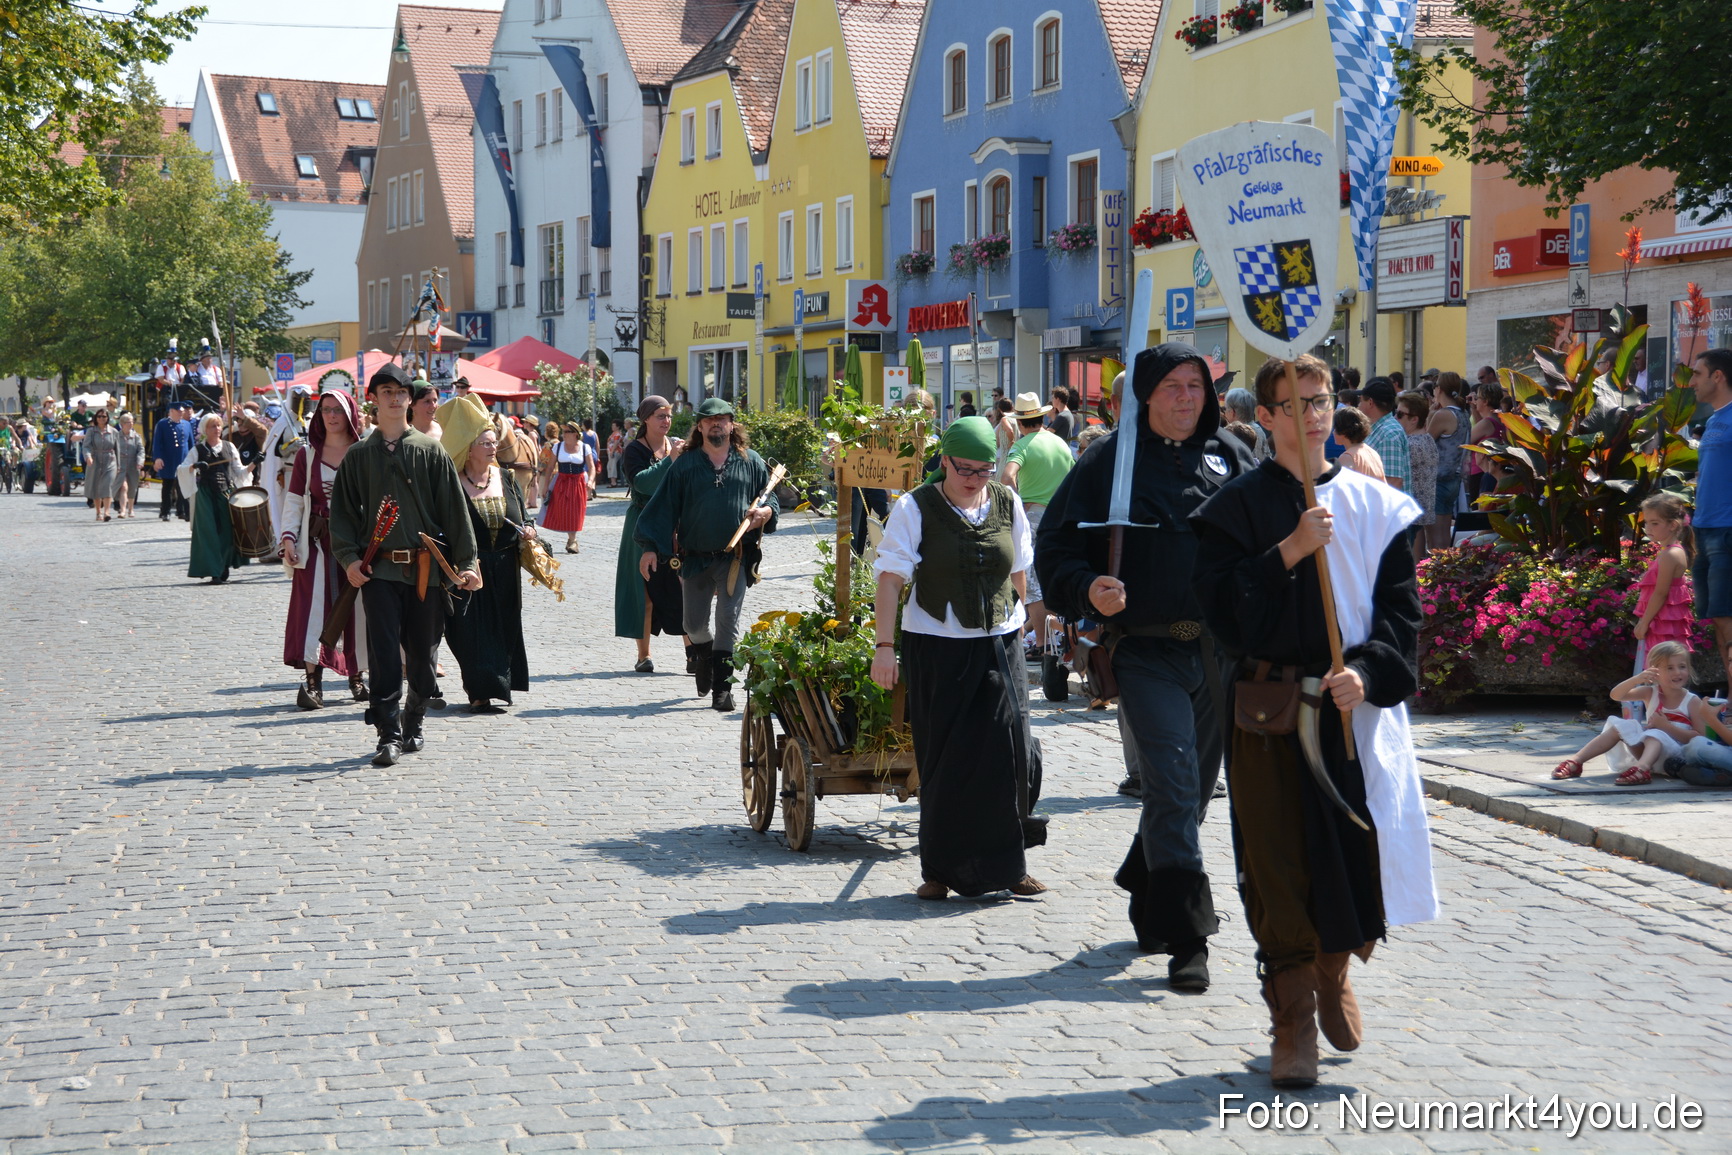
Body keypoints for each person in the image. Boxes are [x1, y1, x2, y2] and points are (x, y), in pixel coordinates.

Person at [1191, 354, 1435, 1088]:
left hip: (1347, 709)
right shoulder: (1230, 510)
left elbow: (1401, 617)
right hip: (1268, 712)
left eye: (1321, 400)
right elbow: (1225, 618)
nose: (1311, 415)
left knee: (1357, 855)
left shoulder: (1377, 505)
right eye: (1293, 404)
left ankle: (1336, 970)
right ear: (1264, 417)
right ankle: (1291, 1017)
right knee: (1276, 862)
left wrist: (1368, 670)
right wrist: (1289, 551)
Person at [1038, 343, 1253, 989]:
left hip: (1218, 653)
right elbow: (1056, 544)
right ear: (1147, 396)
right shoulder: (1110, 458)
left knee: (1187, 797)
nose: (1186, 397)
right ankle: (1190, 936)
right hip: (1147, 650)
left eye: (1196, 385)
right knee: (1173, 782)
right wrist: (1087, 587)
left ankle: (1145, 878)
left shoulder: (1234, 454)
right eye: (1172, 387)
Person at [872, 415, 1045, 900]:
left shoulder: (1007, 502)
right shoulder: (915, 507)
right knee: (947, 758)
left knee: (1013, 752)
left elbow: (1019, 569)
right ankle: (941, 871)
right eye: (964, 469)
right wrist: (884, 649)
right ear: (944, 460)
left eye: (984, 470)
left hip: (999, 642)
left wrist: (1029, 620)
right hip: (937, 646)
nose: (973, 479)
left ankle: (1008, 865)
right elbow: (890, 580)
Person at [329, 364, 481, 767]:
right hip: (378, 572)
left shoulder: (431, 452)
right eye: (386, 391)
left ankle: (414, 718)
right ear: (374, 398)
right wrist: (348, 559)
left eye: (401, 391)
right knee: (382, 656)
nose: (395, 398)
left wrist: (467, 562)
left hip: (426, 572)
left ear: (409, 399)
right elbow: (341, 515)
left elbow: (454, 511)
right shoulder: (359, 455)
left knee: (423, 659)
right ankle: (388, 733)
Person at [636, 397, 778, 711]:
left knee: (728, 618)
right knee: (694, 625)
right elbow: (663, 507)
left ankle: (723, 689)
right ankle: (704, 655)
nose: (716, 424)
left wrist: (766, 512)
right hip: (695, 557)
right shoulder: (685, 464)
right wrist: (649, 548)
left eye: (722, 419)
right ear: (699, 426)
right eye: (709, 420)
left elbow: (770, 499)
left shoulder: (750, 460)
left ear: (732, 424)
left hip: (734, 558)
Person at [440, 395, 532, 713]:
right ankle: (478, 689)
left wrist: (529, 531)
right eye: (485, 442)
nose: (493, 447)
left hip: (506, 569)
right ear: (469, 447)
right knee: (470, 632)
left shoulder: (506, 478)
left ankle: (501, 685)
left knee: (505, 627)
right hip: (469, 568)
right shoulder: (452, 482)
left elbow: (523, 515)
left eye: (493, 441)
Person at [280, 389, 368, 709]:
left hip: (356, 546)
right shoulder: (307, 455)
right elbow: (294, 502)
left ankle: (356, 676)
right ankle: (313, 683)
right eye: (326, 410)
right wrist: (289, 538)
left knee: (356, 610)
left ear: (349, 415)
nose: (331, 416)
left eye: (338, 410)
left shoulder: (363, 453)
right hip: (317, 544)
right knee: (313, 613)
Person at [1552, 643, 1730, 786]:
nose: (1678, 672)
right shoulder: (1649, 692)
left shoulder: (1691, 701)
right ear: (1654, 672)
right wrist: (1637, 679)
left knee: (1655, 733)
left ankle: (1641, 769)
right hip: (1647, 753)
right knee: (1622, 725)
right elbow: (1616, 695)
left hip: (1676, 757)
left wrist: (1666, 727)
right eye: (1669, 668)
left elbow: (1699, 737)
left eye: (1682, 667)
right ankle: (1576, 762)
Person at [614, 396, 689, 672]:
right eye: (660, 415)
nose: (666, 421)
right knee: (642, 590)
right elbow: (642, 484)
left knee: (683, 586)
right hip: (643, 522)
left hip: (674, 524)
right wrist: (670, 460)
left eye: (669, 415)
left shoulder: (678, 445)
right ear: (646, 419)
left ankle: (692, 653)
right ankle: (643, 655)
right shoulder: (634, 450)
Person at [999, 392, 1074, 652]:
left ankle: (1041, 644)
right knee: (1054, 578)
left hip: (1035, 516)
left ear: (1020, 423)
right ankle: (1056, 640)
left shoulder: (1022, 445)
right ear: (1042, 418)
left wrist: (1017, 504)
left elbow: (1007, 478)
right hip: (1063, 517)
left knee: (1032, 583)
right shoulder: (1060, 444)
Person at [1689, 349, 1732, 673]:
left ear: (1718, 376)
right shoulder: (1715, 419)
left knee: (1726, 616)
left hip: (1726, 530)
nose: (1692, 382)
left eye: (1697, 374)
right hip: (1702, 529)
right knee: (1717, 618)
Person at [177, 414, 244, 583]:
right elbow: (182, 469)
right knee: (209, 533)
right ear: (205, 430)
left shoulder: (230, 447)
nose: (217, 429)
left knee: (227, 533)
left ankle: (223, 566)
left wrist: (254, 463)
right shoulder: (198, 450)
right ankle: (214, 571)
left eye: (219, 425)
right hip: (205, 496)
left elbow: (239, 472)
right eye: (213, 426)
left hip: (226, 494)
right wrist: (195, 466)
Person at [1634, 494, 1696, 653]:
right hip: (1661, 620)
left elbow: (1661, 593)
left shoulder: (1671, 554)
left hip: (1663, 623)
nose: (1648, 528)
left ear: (1673, 525)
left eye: (1654, 523)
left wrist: (1644, 623)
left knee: (1661, 668)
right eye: (1646, 522)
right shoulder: (1668, 551)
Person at [1427, 373, 1469, 549]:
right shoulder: (1464, 413)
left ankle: (1436, 571)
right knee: (1444, 531)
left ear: (1440, 390)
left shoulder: (1443, 414)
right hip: (1454, 477)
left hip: (1438, 477)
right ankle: (1444, 570)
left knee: (1434, 535)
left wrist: (1430, 414)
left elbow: (1426, 442)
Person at [541, 421, 595, 553]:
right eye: (563, 431)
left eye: (567, 432)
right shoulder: (557, 447)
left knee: (576, 511)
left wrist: (591, 481)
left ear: (575, 434)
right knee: (561, 510)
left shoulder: (584, 447)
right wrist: (545, 486)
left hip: (578, 482)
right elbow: (550, 468)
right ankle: (570, 538)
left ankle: (573, 540)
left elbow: (592, 467)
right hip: (561, 481)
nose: (564, 434)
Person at [1396, 391, 1437, 560]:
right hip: (1423, 506)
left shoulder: (1411, 444)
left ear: (1414, 419)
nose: (1395, 418)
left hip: (1413, 508)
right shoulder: (1427, 439)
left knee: (1414, 560)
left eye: (1400, 414)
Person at [1358, 378, 1409, 494]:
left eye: (1361, 401)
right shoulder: (1381, 429)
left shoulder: (1389, 434)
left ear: (1370, 402)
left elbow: (1393, 483)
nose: (1359, 405)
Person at [82, 407, 120, 522]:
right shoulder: (91, 431)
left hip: (110, 460)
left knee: (108, 486)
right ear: (96, 418)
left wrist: (119, 465)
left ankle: (107, 512)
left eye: (104, 416)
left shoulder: (114, 432)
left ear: (107, 418)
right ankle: (99, 512)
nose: (101, 418)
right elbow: (86, 446)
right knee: (97, 487)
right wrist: (88, 456)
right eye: (99, 416)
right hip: (95, 460)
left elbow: (117, 449)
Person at [1330, 407, 1386, 483]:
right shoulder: (1373, 453)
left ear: (1343, 431)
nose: (1333, 432)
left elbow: (1343, 489)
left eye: (1335, 428)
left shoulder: (1347, 457)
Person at [115, 412, 145, 518]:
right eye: (128, 422)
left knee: (132, 488)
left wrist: (140, 462)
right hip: (120, 465)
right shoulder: (116, 436)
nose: (131, 424)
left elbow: (141, 450)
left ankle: (131, 509)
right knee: (123, 487)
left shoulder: (137, 437)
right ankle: (122, 510)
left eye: (132, 422)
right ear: (122, 424)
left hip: (133, 465)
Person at [606, 420, 625, 488]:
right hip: (611, 451)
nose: (612, 427)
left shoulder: (617, 434)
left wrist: (612, 451)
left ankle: (613, 482)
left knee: (612, 465)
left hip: (615, 452)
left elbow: (616, 443)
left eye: (614, 425)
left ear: (618, 427)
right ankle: (612, 481)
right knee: (609, 466)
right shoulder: (613, 434)